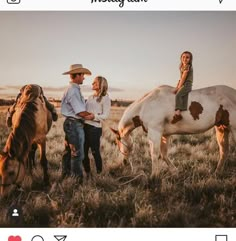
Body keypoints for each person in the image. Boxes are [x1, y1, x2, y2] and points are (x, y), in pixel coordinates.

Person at [61, 64, 94, 182]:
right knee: (77, 154)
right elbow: (80, 112)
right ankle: (77, 180)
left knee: (69, 151)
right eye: (82, 75)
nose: (84, 78)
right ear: (77, 75)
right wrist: (92, 116)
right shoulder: (73, 91)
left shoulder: (73, 89)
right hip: (74, 124)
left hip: (71, 123)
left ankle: (66, 175)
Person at [83, 76, 111, 177]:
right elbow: (85, 111)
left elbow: (106, 115)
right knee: (83, 152)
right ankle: (87, 172)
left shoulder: (105, 98)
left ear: (101, 85)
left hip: (95, 129)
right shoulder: (90, 97)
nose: (92, 84)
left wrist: (94, 116)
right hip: (84, 127)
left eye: (94, 83)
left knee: (95, 152)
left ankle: (99, 173)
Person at [171, 51, 193, 124]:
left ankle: (178, 113)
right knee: (182, 94)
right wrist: (177, 86)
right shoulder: (182, 67)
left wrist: (178, 88)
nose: (185, 59)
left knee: (178, 94)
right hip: (184, 84)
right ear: (181, 58)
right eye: (183, 57)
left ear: (190, 59)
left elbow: (183, 78)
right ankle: (182, 108)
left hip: (187, 84)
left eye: (187, 57)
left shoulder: (187, 66)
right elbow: (180, 79)